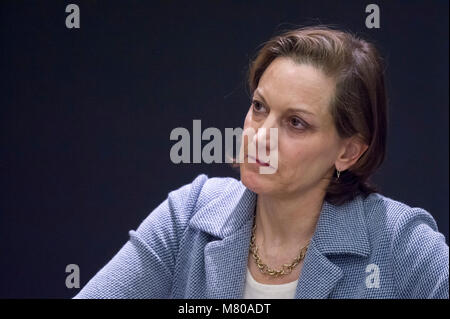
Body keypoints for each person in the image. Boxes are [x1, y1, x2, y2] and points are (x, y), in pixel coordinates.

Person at [73, 25, 449, 299]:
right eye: (259, 107)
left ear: (348, 152)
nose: (259, 135)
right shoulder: (189, 215)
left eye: (295, 123)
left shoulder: (400, 244)